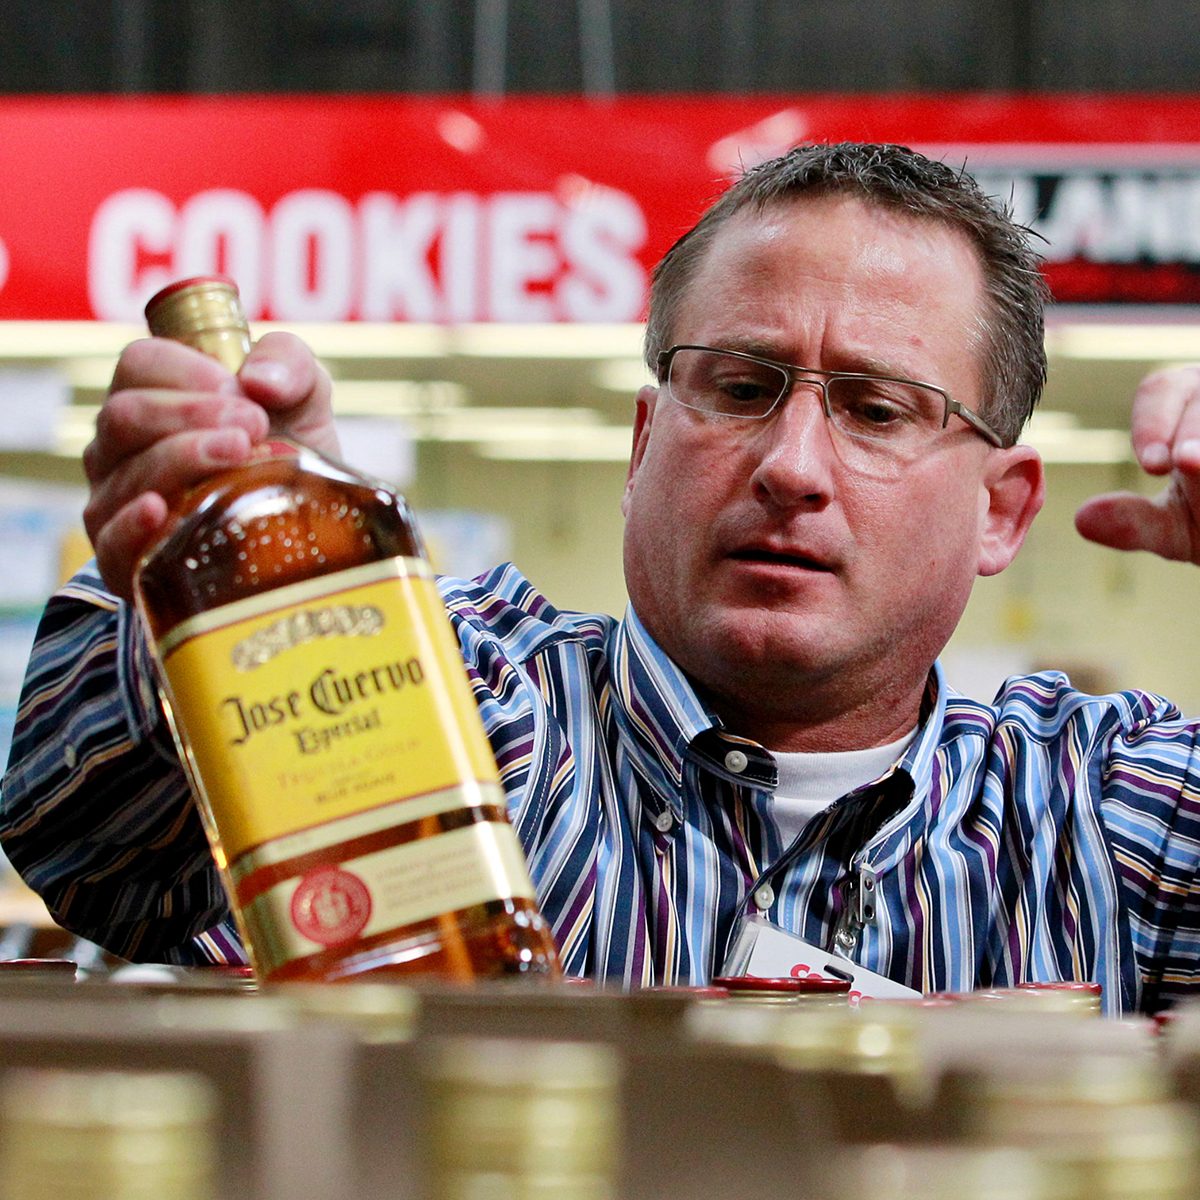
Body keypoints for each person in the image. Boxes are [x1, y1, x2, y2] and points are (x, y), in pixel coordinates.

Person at [4, 141, 1200, 1013]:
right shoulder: (440, 703)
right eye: (739, 388)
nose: (791, 467)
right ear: (642, 444)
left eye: (879, 410)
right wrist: (233, 588)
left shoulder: (1109, 814)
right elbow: (98, 853)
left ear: (1003, 510)